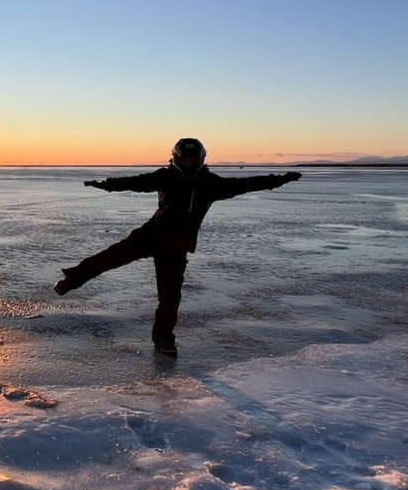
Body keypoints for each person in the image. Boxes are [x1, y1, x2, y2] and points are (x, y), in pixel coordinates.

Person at [53, 138, 301, 355]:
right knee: (108, 258)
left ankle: (163, 339)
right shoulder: (165, 176)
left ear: (201, 160)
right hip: (151, 234)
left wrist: (280, 179)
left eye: (194, 160)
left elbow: (248, 184)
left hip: (177, 246)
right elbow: (136, 182)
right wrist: (105, 183)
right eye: (186, 159)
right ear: (176, 159)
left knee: (170, 299)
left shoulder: (211, 184)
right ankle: (70, 281)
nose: (190, 164)